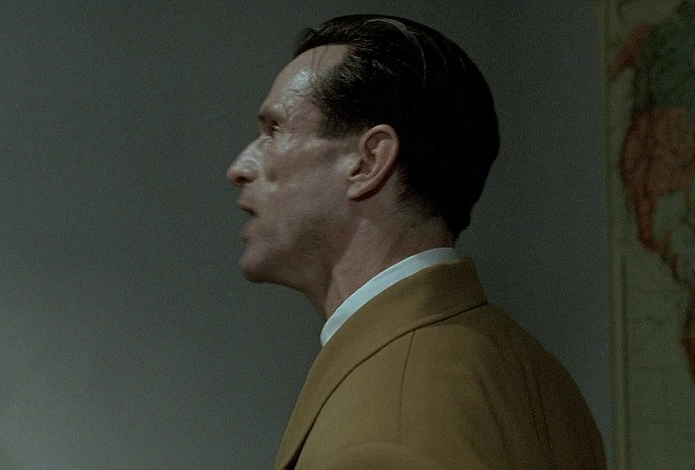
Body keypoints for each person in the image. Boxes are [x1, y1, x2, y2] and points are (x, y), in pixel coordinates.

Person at [226, 14, 606, 469]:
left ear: (368, 161)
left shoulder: (390, 418)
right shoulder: (536, 374)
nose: (239, 167)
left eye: (274, 130)